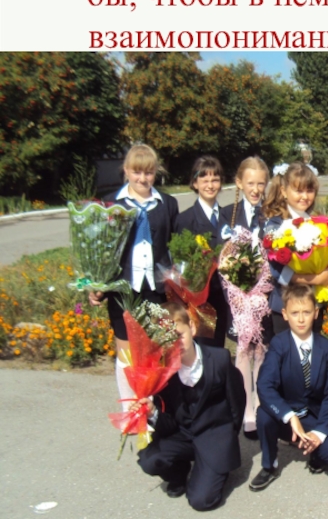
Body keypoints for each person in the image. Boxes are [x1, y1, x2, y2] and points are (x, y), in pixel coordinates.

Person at [88, 144, 179, 409]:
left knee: (156, 351)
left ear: (156, 172)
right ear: (126, 170)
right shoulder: (110, 204)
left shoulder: (167, 204)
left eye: (148, 173)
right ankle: (130, 410)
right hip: (122, 290)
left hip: (156, 289)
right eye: (137, 172)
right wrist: (96, 285)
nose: (142, 178)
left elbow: (174, 246)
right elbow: (100, 249)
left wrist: (181, 280)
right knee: (126, 353)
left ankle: (151, 410)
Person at [134, 302, 246, 511]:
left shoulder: (219, 359)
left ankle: (215, 468)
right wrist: (153, 412)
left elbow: (237, 401)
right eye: (168, 339)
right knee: (150, 460)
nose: (175, 343)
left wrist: (228, 438)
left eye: (179, 335)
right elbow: (168, 423)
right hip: (182, 434)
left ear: (192, 328)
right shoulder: (163, 372)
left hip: (213, 437)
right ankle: (179, 472)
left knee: (201, 501)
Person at [250, 283, 328, 492]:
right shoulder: (279, 344)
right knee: (264, 414)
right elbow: (265, 385)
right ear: (285, 314)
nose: (301, 319)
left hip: (313, 415)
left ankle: (316, 451)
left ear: (316, 313)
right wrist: (289, 415)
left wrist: (319, 432)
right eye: (295, 313)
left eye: (306, 312)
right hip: (286, 417)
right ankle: (269, 465)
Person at [221, 156, 269, 439]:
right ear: (239, 183)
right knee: (242, 349)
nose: (256, 189)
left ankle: (261, 406)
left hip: (262, 295)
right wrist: (234, 289)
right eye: (250, 183)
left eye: (261, 183)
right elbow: (221, 257)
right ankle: (246, 408)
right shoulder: (228, 214)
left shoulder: (269, 215)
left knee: (260, 349)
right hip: (237, 297)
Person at [260, 162, 328, 338]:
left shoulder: (316, 223)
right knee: (286, 352)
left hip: (312, 305)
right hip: (286, 306)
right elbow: (277, 272)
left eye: (309, 190)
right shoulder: (275, 225)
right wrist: (317, 279)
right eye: (298, 191)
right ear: (283, 191)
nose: (304, 196)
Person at [174, 155, 233, 348]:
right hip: (199, 300)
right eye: (204, 179)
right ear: (194, 183)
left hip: (223, 296)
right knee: (201, 348)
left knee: (218, 347)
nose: (210, 185)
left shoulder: (228, 217)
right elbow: (180, 264)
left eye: (215, 180)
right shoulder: (185, 220)